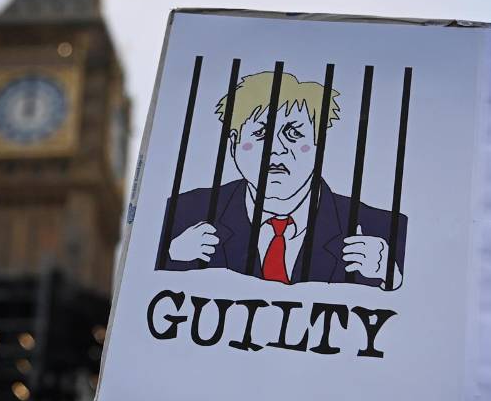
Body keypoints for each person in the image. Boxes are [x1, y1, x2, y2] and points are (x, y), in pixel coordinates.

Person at [159, 70, 406, 289]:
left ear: (319, 145)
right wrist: (171, 256)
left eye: (294, 133)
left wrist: (390, 275)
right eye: (260, 133)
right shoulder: (182, 214)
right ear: (233, 144)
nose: (276, 148)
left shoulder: (382, 228)